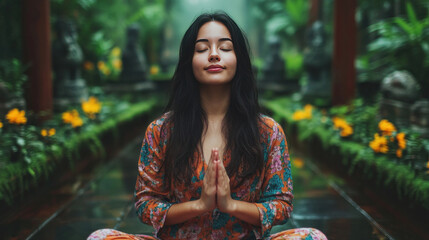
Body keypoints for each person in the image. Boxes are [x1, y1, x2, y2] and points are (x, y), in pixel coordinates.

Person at [88, 12, 327, 240]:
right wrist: (200, 205)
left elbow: (282, 206)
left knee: (313, 237)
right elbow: (145, 205)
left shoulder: (267, 131)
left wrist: (231, 205)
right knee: (100, 237)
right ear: (189, 61)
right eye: (202, 49)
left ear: (239, 59)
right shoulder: (162, 130)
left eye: (225, 47)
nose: (214, 55)